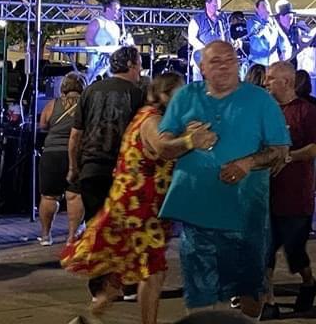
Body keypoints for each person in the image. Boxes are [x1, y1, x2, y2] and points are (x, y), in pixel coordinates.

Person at [61, 73, 215, 324]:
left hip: (141, 204)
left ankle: (91, 315)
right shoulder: (151, 119)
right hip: (139, 206)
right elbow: (162, 148)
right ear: (163, 95)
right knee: (152, 272)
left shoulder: (156, 118)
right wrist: (190, 141)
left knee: (126, 268)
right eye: (178, 95)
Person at [157, 40, 291, 319]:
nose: (225, 66)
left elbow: (280, 151)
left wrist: (248, 163)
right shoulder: (186, 97)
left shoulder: (260, 100)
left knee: (250, 290)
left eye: (230, 60)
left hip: (246, 215)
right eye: (216, 61)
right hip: (197, 214)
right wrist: (188, 141)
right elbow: (162, 147)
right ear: (202, 67)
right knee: (199, 291)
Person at [263, 61, 316, 318]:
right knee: (264, 250)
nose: (265, 83)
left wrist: (289, 156)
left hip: (295, 195)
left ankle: (309, 282)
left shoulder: (306, 111)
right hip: (266, 193)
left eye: (270, 78)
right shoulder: (264, 110)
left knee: (295, 252)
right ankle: (269, 302)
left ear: (286, 82)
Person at [68, 46, 146, 229]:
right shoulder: (137, 94)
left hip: (91, 168)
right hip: (122, 171)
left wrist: (73, 167)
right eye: (139, 66)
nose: (140, 72)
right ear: (130, 65)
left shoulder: (90, 91)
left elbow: (75, 136)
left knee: (95, 227)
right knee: (119, 230)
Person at [37, 71, 86, 245]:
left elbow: (43, 125)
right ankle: (72, 236)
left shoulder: (53, 104)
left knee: (49, 196)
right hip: (77, 155)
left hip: (52, 154)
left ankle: (45, 235)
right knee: (74, 196)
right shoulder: (86, 104)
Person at [187, 0, 229, 81]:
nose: (218, 8)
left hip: (218, 59)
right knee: (199, 81)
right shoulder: (197, 19)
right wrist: (206, 49)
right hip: (201, 57)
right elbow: (192, 39)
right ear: (207, 4)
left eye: (219, 7)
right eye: (215, 5)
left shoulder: (222, 20)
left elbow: (226, 39)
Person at [84, 0, 128, 81]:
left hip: (112, 61)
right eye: (116, 10)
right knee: (93, 80)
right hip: (98, 60)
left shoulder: (116, 26)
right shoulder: (97, 22)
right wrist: (101, 51)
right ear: (108, 10)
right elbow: (89, 40)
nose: (118, 13)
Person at [247, 0, 281, 66]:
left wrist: (284, 50)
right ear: (257, 9)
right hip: (258, 63)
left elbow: (281, 37)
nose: (266, 8)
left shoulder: (273, 22)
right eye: (263, 6)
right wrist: (265, 22)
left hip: (273, 62)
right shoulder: (252, 21)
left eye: (267, 5)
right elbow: (256, 34)